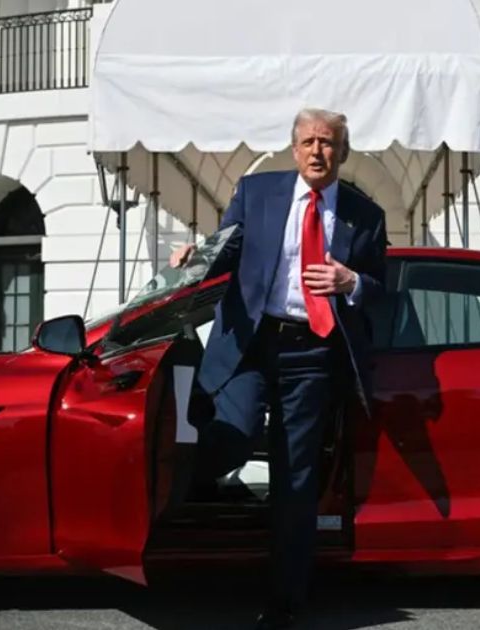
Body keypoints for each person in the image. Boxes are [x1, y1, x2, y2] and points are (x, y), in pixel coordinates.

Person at [169, 107, 387, 629]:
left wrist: (352, 281)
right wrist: (194, 256)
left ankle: (286, 600)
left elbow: (384, 293)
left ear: (343, 152)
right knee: (236, 432)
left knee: (296, 478)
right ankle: (190, 489)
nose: (318, 151)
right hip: (251, 342)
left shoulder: (365, 215)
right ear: (294, 149)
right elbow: (226, 254)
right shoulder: (257, 192)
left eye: (329, 143)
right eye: (309, 141)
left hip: (313, 352)